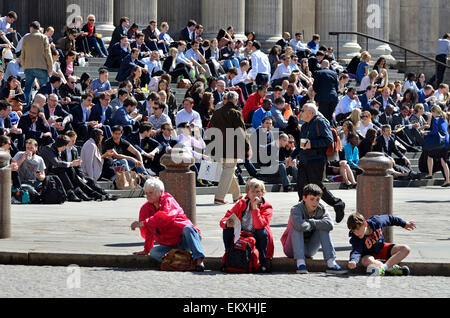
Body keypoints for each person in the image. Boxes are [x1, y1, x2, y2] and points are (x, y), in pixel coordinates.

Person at [286, 103, 346, 223]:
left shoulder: (320, 122)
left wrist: (312, 144)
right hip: (304, 160)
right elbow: (301, 144)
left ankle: (338, 204)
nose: (300, 113)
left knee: (317, 187)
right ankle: (303, 211)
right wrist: (291, 156)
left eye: (303, 110)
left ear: (311, 113)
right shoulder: (304, 126)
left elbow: (328, 139)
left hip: (316, 161)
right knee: (302, 187)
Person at [130, 177, 206, 272]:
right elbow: (149, 231)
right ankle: (183, 262)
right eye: (146, 193)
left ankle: (199, 260)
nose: (148, 196)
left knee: (188, 229)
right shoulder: (145, 208)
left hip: (186, 240)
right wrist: (146, 249)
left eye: (151, 193)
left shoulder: (169, 201)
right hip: (171, 245)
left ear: (161, 192)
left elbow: (165, 217)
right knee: (153, 252)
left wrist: (143, 223)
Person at [281, 184, 347, 274]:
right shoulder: (296, 209)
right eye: (312, 199)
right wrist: (316, 223)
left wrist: (311, 222)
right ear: (304, 198)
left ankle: (331, 263)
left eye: (317, 199)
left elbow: (330, 225)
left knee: (324, 227)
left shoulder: (321, 209)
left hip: (309, 249)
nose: (315, 203)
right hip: (291, 249)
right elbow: (300, 226)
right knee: (296, 227)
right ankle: (300, 264)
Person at [219, 178, 273, 273]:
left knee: (262, 232)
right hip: (242, 233)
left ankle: (262, 262)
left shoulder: (267, 207)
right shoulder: (242, 203)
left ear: (262, 193)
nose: (256, 194)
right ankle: (229, 257)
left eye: (258, 192)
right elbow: (224, 219)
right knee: (227, 229)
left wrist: (255, 208)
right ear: (248, 193)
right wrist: (227, 223)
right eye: (253, 192)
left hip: (256, 234)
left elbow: (259, 225)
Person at [206, 91, 250, 205]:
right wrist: (247, 147)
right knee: (228, 170)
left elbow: (209, 130)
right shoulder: (236, 113)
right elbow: (241, 132)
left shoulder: (217, 112)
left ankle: (237, 196)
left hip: (217, 146)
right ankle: (219, 198)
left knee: (229, 171)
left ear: (225, 99)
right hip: (231, 148)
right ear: (235, 100)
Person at [347, 212, 415, 276]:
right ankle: (391, 269)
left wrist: (404, 224)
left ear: (365, 224)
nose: (356, 233)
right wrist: (353, 260)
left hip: (381, 248)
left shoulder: (376, 221)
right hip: (368, 255)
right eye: (353, 230)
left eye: (358, 229)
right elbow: (356, 251)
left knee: (406, 249)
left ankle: (383, 268)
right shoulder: (355, 237)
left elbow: (390, 219)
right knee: (366, 261)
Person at [21, 21, 53, 106]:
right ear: (38, 28)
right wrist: (50, 67)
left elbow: (22, 54)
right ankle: (45, 107)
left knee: (27, 90)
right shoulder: (43, 37)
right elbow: (48, 53)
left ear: (31, 27)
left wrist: (25, 66)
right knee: (45, 89)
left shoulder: (26, 38)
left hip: (28, 67)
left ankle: (26, 107)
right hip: (41, 67)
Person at [423, 106, 450, 187]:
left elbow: (435, 131)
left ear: (434, 112)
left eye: (432, 112)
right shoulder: (445, 118)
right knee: (443, 161)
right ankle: (447, 179)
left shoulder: (435, 119)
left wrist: (427, 133)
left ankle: (431, 174)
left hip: (439, 143)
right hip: (446, 142)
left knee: (431, 156)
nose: (432, 114)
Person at [312, 60, 339, 125]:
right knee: (330, 116)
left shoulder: (318, 73)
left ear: (321, 65)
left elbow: (315, 87)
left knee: (323, 116)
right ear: (328, 66)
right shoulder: (334, 73)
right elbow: (337, 87)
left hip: (323, 98)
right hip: (333, 97)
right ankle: (333, 129)